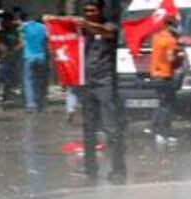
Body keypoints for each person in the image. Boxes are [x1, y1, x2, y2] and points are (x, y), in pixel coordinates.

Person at [47, 0, 127, 183]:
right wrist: (54, 21)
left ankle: (118, 169)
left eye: (92, 10)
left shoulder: (108, 26)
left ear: (100, 11)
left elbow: (107, 32)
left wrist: (88, 25)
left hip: (105, 83)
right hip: (86, 82)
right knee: (88, 129)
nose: (89, 13)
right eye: (86, 11)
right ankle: (91, 169)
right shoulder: (81, 30)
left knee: (111, 127)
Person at [149, 15, 184, 147]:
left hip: (155, 75)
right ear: (172, 25)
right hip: (165, 75)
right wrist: (179, 56)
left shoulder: (157, 37)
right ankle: (160, 131)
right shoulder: (170, 40)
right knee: (167, 104)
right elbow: (171, 59)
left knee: (162, 103)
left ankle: (158, 129)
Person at [20, 13, 49, 112]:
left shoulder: (26, 26)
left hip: (28, 57)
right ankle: (39, 103)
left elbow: (19, 30)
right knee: (39, 81)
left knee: (28, 81)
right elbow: (48, 39)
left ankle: (30, 104)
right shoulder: (44, 28)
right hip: (41, 57)